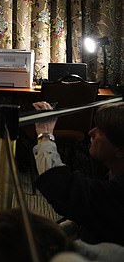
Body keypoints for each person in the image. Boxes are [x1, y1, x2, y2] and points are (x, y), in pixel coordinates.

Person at [31, 101, 124, 246]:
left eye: (100, 131)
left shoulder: (117, 194)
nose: (90, 133)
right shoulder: (113, 176)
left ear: (120, 150)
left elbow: (62, 187)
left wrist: (45, 134)